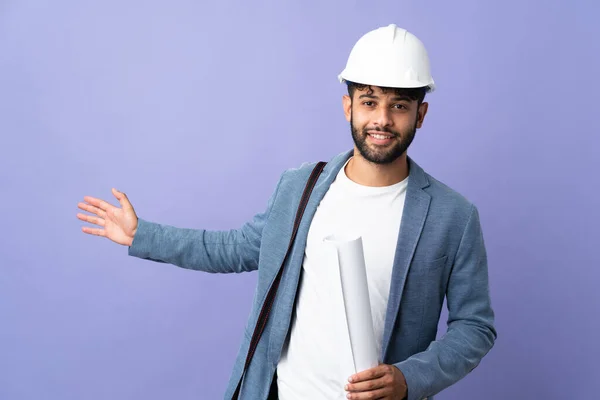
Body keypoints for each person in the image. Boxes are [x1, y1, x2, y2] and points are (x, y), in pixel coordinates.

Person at [77, 24, 496, 400]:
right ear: (348, 107)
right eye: (369, 102)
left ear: (420, 115)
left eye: (399, 106)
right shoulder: (301, 188)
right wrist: (140, 234)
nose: (381, 119)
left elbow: (475, 327)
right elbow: (236, 248)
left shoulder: (453, 216)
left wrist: (408, 378)